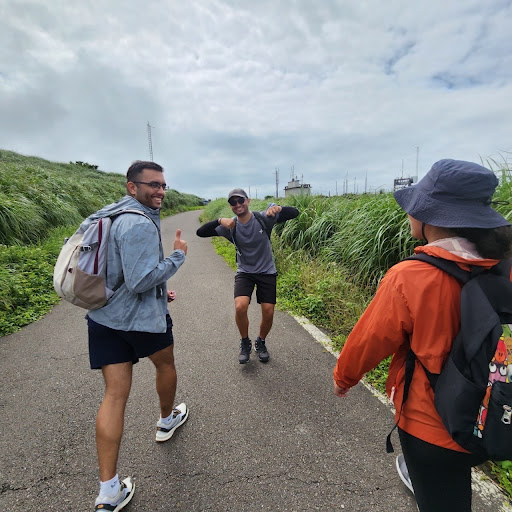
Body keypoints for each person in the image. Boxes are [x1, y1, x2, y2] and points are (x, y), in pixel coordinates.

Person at [332, 159, 512, 512]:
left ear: (432, 217)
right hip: (489, 415)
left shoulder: (410, 277)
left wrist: (343, 378)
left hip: (430, 425)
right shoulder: (504, 268)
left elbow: (369, 340)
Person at [85, 160, 189, 511]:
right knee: (165, 365)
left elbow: (120, 270)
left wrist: (161, 290)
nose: (160, 191)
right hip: (141, 321)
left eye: (163, 185)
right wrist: (178, 256)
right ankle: (166, 421)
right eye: (152, 185)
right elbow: (141, 280)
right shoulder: (139, 223)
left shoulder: (110, 215)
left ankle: (108, 491)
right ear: (132, 187)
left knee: (114, 396)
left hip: (103, 317)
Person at [196, 188, 299, 364]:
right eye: (233, 202)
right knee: (240, 306)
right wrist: (220, 220)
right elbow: (201, 232)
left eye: (240, 200)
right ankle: (245, 342)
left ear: (248, 201)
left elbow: (294, 213)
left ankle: (261, 342)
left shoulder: (263, 218)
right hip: (245, 272)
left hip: (266, 271)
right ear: (230, 206)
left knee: (268, 311)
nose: (237, 204)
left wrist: (279, 209)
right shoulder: (230, 226)